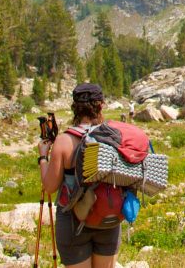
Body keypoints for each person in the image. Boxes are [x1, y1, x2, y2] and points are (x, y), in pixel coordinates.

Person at [39, 83, 120, 268]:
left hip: (73, 220)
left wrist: (43, 156)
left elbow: (50, 187)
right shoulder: (113, 136)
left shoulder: (64, 141)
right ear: (101, 105)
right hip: (108, 217)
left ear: (74, 107)